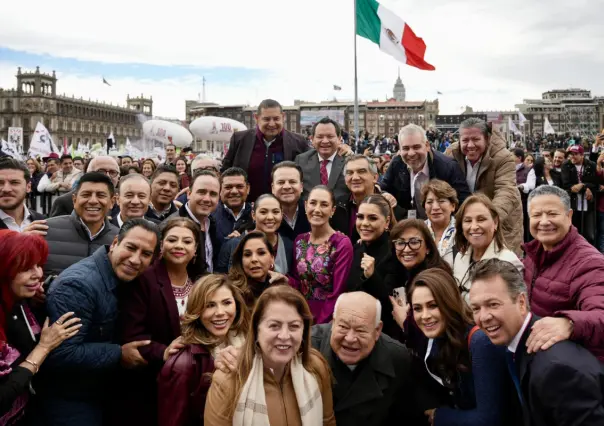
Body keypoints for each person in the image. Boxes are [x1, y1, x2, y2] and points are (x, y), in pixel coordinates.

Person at [40, 219, 160, 426]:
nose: (135, 259)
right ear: (115, 243)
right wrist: (119, 353)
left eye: (146, 254)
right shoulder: (79, 285)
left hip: (101, 393)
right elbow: (61, 353)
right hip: (70, 401)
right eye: (130, 247)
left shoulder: (127, 278)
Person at [469, 259, 604, 426]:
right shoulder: (516, 345)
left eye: (493, 304)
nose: (483, 317)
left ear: (521, 302)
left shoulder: (556, 369)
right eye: (476, 308)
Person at [204, 285, 336, 425]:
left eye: (294, 326)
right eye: (274, 326)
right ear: (256, 329)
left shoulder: (315, 367)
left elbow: (327, 421)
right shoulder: (228, 379)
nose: (284, 336)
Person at [394, 268, 508, 426]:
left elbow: (489, 419)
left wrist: (439, 416)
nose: (425, 316)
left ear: (449, 302)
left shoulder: (480, 342)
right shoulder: (436, 337)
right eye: (417, 308)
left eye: (433, 305)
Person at [118, 218, 200, 426]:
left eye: (187, 241)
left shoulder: (201, 281)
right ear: (161, 246)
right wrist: (164, 352)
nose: (180, 245)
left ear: (196, 248)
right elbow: (132, 335)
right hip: (149, 384)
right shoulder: (144, 278)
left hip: (192, 382)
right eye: (172, 240)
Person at [0, 230, 81, 425]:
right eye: (26, 267)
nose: (38, 274)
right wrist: (43, 348)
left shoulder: (18, 300)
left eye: (38, 265)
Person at [311, 292, 420, 426]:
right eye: (343, 327)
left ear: (377, 330)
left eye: (361, 330)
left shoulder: (397, 358)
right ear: (333, 322)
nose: (350, 338)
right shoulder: (307, 347)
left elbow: (404, 417)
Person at [523, 185, 604, 362]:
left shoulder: (589, 263)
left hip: (574, 370)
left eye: (552, 214)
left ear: (569, 216)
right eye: (536, 215)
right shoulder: (534, 253)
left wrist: (570, 324)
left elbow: (600, 313)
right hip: (540, 359)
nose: (544, 221)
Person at [157, 274, 250, 426]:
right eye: (209, 305)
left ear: (237, 305)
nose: (220, 312)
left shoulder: (247, 343)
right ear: (197, 311)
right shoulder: (183, 363)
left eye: (226, 302)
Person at [449, 118, 524, 255]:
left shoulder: (503, 157)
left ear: (487, 139)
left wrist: (487, 219)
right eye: (465, 140)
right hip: (467, 224)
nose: (470, 145)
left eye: (476, 139)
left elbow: (506, 191)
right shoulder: (451, 154)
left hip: (501, 222)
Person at [222, 99, 309, 201]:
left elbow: (306, 177)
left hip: (283, 209)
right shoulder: (239, 139)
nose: (272, 124)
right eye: (266, 119)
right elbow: (225, 172)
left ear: (283, 117)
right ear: (256, 118)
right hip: (247, 208)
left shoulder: (299, 142)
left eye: (276, 119)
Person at [289, 185, 353, 324]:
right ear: (306, 206)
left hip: (327, 319)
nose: (317, 209)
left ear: (332, 210)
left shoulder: (341, 244)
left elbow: (338, 292)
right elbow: (297, 282)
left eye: (324, 205)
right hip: (300, 316)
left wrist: (319, 326)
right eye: (313, 203)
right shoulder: (300, 241)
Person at [381, 124, 470, 219]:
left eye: (416, 147)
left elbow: (464, 202)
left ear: (427, 145)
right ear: (400, 149)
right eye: (406, 148)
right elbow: (382, 189)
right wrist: (385, 195)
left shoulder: (448, 167)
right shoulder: (396, 164)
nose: (411, 153)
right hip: (408, 226)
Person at [43, 172, 120, 277]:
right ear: (74, 200)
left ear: (112, 202)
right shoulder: (45, 230)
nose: (93, 201)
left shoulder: (120, 239)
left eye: (101, 195)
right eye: (86, 195)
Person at [453, 194, 523, 301]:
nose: (474, 227)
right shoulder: (460, 258)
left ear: (495, 223)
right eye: (467, 221)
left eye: (481, 219)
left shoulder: (509, 261)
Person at [332, 154, 405, 243]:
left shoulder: (393, 208)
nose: (355, 177)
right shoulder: (336, 206)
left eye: (361, 171)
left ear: (375, 177)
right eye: (350, 173)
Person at [217, 194, 293, 274]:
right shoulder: (234, 244)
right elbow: (220, 278)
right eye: (263, 212)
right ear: (253, 215)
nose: (270, 217)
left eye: (275, 212)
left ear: (281, 215)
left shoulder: (288, 245)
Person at [168, 170, 220, 280]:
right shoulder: (171, 226)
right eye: (201, 192)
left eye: (213, 194)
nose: (207, 199)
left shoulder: (212, 223)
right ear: (189, 194)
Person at [228, 231, 288, 310]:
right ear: (241, 260)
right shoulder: (232, 292)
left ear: (272, 258)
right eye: (247, 254)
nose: (254, 259)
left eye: (261, 253)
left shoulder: (280, 286)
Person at [295, 116, 350, 202]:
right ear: (312, 139)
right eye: (320, 137)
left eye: (330, 136)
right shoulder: (301, 161)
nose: (325, 141)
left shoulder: (348, 160)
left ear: (339, 139)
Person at [49, 155, 121, 218]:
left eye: (113, 172)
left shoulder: (124, 199)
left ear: (118, 177)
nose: (107, 176)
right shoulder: (64, 202)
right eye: (101, 171)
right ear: (87, 173)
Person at [561, 144, 598, 244]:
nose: (572, 156)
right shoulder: (566, 165)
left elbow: (595, 183)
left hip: (588, 203)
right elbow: (567, 184)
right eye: (571, 154)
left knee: (589, 233)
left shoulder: (591, 165)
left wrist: (583, 185)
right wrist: (583, 187)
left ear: (582, 155)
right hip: (572, 203)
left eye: (575, 154)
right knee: (573, 230)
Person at [0, 159, 47, 233]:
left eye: (14, 182)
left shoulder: (42, 221)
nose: (6, 189)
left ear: (28, 187)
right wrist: (22, 241)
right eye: (0, 183)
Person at [211, 167, 253, 246]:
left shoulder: (258, 216)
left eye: (239, 187)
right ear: (220, 190)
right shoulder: (209, 216)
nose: (234, 191)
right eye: (228, 187)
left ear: (248, 189)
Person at [421, 179, 458, 266]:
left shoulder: (463, 231)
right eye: (429, 202)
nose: (435, 207)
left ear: (453, 206)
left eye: (441, 201)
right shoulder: (418, 231)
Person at [271, 161, 311, 241]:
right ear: (273, 188)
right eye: (281, 182)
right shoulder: (264, 217)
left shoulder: (313, 212)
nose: (287, 186)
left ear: (301, 186)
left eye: (292, 182)